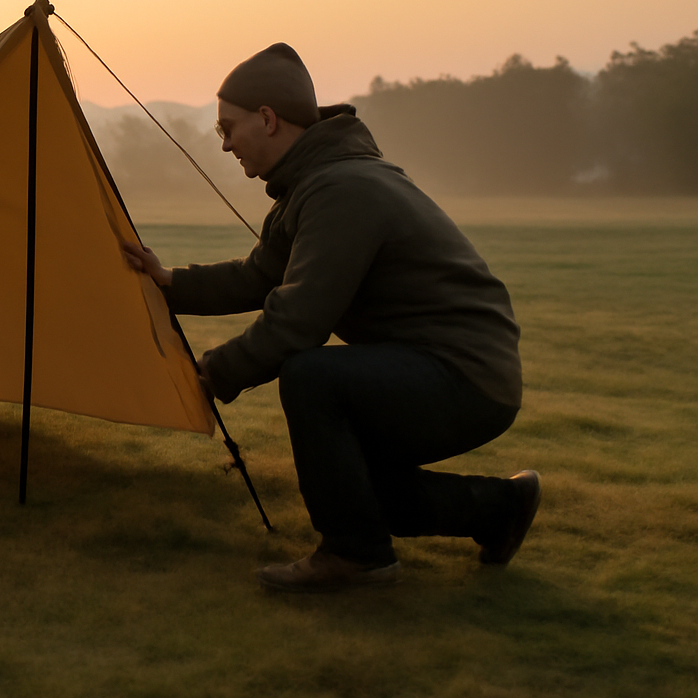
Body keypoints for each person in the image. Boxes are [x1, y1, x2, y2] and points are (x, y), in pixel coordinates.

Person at [123, 43, 540, 593]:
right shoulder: (316, 185)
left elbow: (297, 320)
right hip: (445, 371)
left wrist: (211, 374)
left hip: (464, 377)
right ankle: (501, 508)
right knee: (357, 487)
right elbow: (258, 276)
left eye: (228, 129)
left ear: (268, 119)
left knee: (310, 374)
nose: (224, 145)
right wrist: (169, 282)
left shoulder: (342, 189)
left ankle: (356, 556)